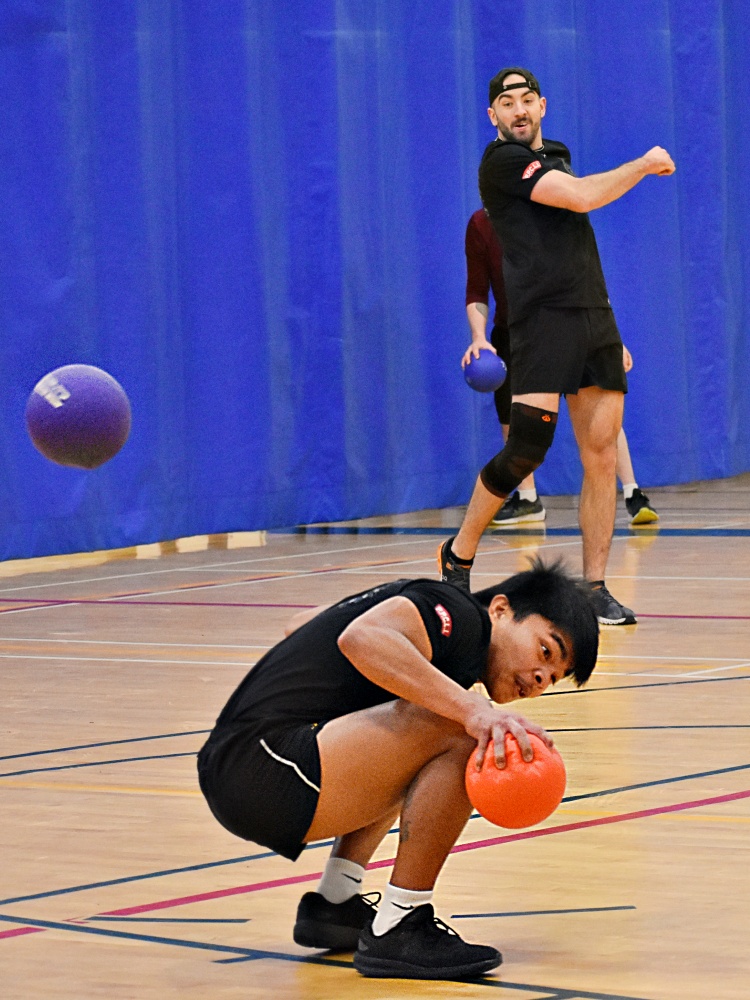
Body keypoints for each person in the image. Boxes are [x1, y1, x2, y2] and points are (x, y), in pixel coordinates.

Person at [197, 559, 599, 980]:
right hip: (263, 767)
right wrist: (472, 711)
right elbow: (362, 636)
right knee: (462, 729)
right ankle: (401, 923)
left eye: (553, 677)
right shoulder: (460, 618)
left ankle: (334, 904)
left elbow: (302, 625)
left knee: (424, 710)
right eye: (545, 651)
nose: (540, 678)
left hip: (241, 769)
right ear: (500, 609)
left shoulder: (427, 615)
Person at [440, 68, 674, 624]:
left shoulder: (557, 153)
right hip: (541, 321)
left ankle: (594, 588)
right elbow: (580, 198)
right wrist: (643, 165)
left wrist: (607, 327)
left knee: (600, 456)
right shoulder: (501, 165)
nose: (518, 110)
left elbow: (574, 242)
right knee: (526, 450)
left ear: (542, 106)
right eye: (506, 103)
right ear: (492, 116)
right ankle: (458, 551)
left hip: (593, 317)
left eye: (526, 100)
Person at [464, 208, 659, 527]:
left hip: (568, 326)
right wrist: (477, 337)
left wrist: (612, 337)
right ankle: (527, 499)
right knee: (514, 416)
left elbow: (587, 278)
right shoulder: (481, 224)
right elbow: (476, 289)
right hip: (515, 333)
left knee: (599, 411)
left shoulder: (551, 214)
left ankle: (632, 493)